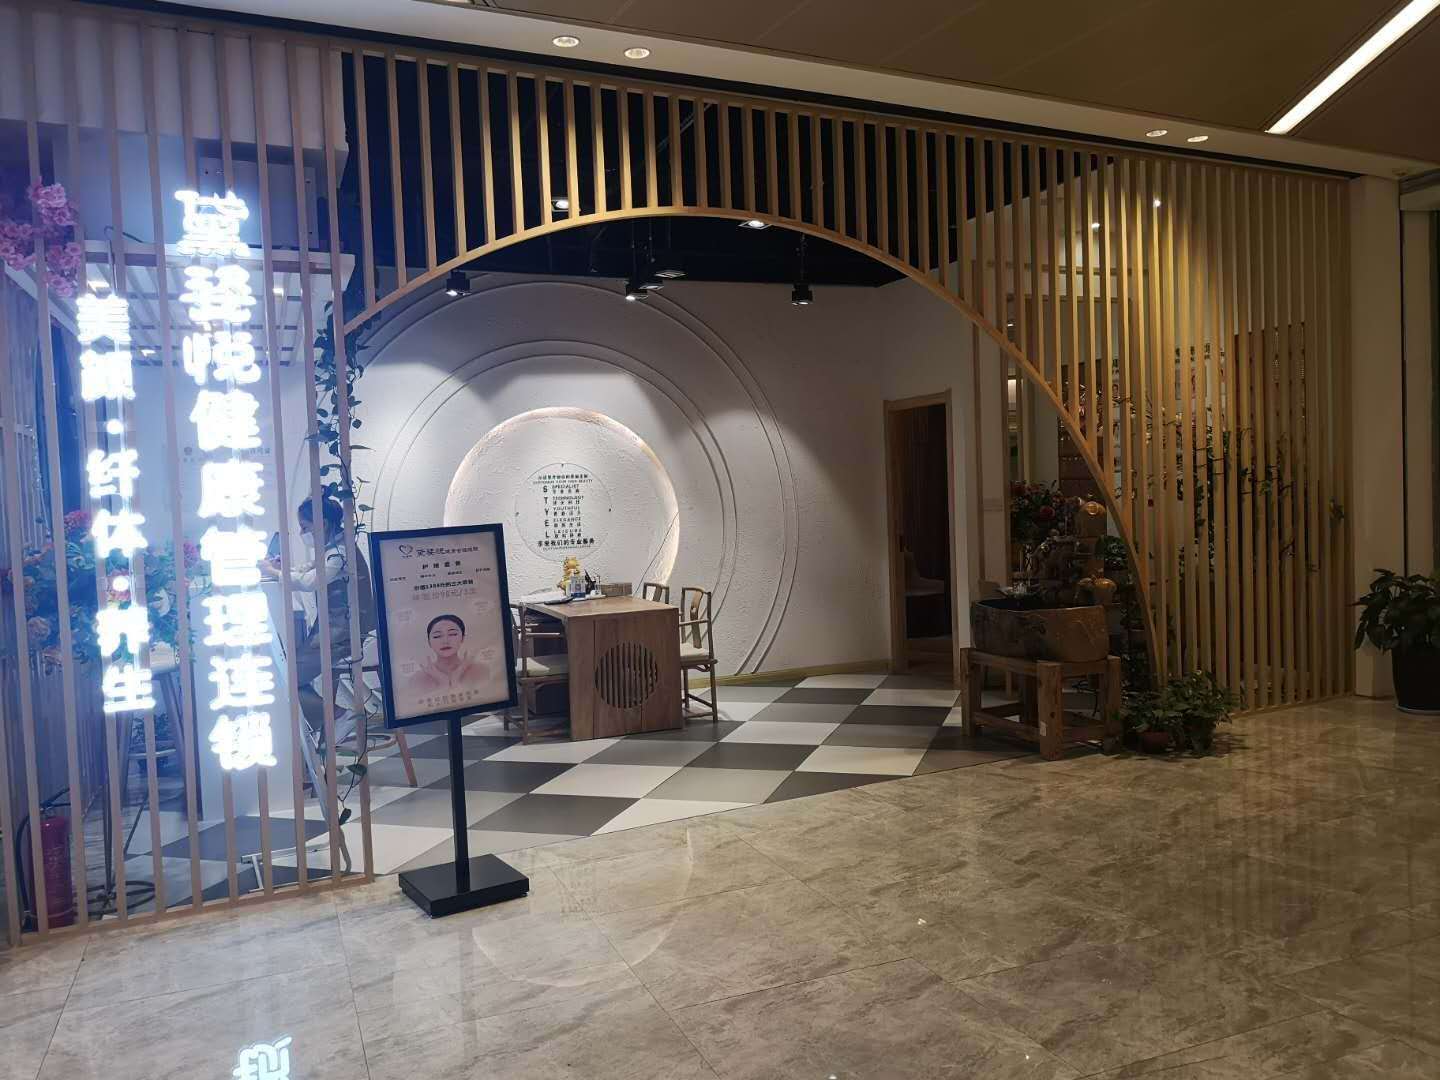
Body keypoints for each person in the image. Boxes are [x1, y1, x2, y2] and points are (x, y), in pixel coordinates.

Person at [261, 495, 375, 730]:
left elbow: (312, 581)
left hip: (341, 635)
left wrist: (274, 572)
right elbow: (309, 570)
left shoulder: (340, 552)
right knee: (289, 674)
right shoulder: (335, 547)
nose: (302, 533)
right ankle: (332, 717)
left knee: (286, 677)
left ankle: (337, 716)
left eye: (305, 527)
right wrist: (282, 569)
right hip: (336, 631)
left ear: (322, 523)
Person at [406, 613, 489, 695]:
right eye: (437, 636)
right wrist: (443, 683)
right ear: (429, 642)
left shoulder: (480, 670)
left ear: (462, 638)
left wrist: (458, 673)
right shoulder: (418, 679)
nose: (445, 641)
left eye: (452, 634)